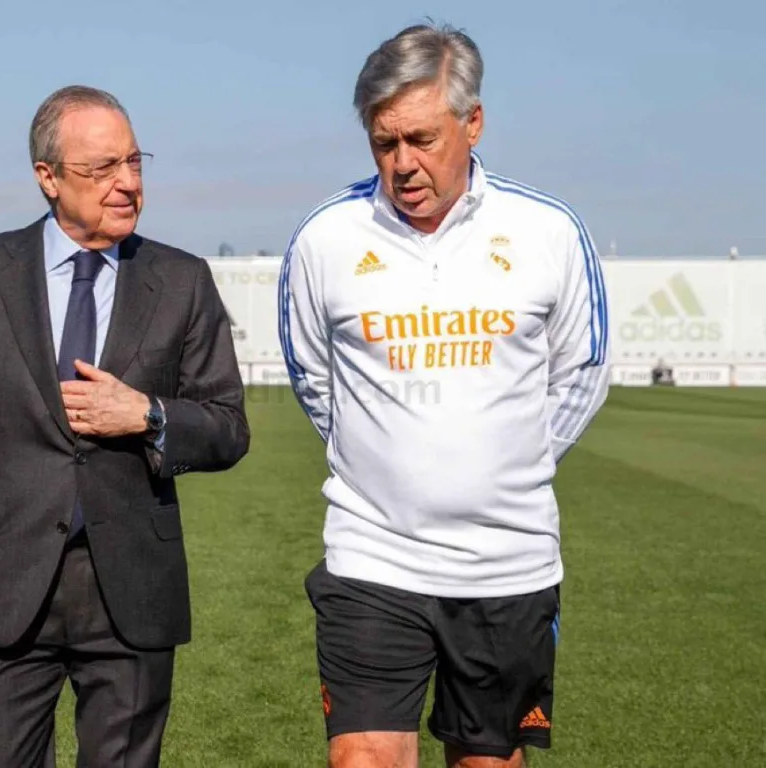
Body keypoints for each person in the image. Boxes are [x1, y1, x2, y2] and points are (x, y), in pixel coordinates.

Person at [0, 85, 250, 767]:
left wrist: (148, 415)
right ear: (47, 178)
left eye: (134, 162)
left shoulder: (182, 279)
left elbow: (229, 427)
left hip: (134, 592)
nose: (127, 183)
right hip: (6, 584)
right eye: (102, 168)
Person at [279, 21, 609, 768]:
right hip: (371, 556)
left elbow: (583, 371)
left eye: (422, 139)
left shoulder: (548, 231)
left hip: (507, 564)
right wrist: (383, 460)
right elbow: (312, 376)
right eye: (384, 143)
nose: (403, 164)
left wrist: (510, 462)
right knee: (362, 758)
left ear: (473, 122)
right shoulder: (326, 237)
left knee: (486, 760)